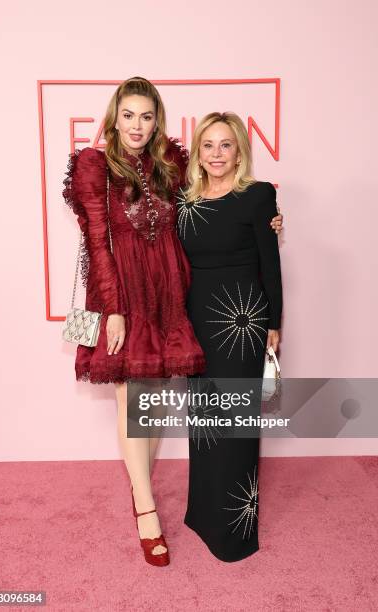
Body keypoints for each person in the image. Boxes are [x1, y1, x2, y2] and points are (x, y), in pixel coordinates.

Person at [62, 77, 283, 566]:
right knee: (135, 402)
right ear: (113, 118)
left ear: (156, 120)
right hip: (123, 296)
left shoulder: (170, 165)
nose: (137, 125)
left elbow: (213, 203)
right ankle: (146, 510)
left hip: (169, 296)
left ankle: (152, 500)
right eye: (128, 115)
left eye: (146, 116)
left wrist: (268, 221)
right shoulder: (95, 166)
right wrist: (113, 308)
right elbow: (98, 244)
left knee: (155, 405)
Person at [177, 112, 283, 562]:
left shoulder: (259, 196)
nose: (217, 154)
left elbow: (271, 264)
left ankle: (233, 534)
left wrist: (275, 324)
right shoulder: (184, 200)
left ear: (240, 151)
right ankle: (202, 514)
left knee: (236, 425)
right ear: (198, 152)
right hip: (197, 319)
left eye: (226, 146)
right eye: (208, 145)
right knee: (203, 420)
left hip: (242, 322)